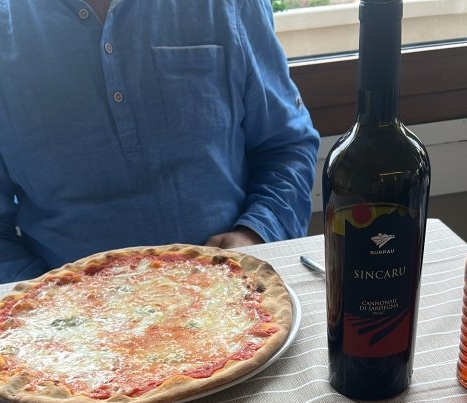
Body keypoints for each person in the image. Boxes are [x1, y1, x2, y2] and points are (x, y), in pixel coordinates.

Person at [0, 0, 319, 283]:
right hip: (62, 322)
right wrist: (40, 301)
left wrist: (256, 233)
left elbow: (286, 146)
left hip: (235, 294)